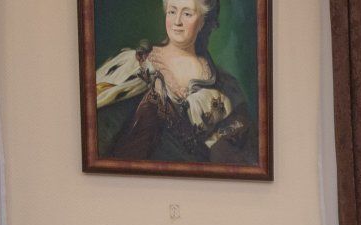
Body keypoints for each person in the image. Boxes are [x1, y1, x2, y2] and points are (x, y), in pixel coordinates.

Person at [94, 0, 257, 165]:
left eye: (187, 14)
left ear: (204, 20)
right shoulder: (132, 65)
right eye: (172, 11)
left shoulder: (226, 88)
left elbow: (239, 158)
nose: (177, 21)